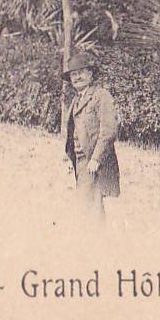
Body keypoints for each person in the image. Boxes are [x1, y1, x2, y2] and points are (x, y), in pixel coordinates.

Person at [62, 52, 120, 218]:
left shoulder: (101, 96)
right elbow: (74, 132)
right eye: (73, 74)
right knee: (87, 205)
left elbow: (109, 130)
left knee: (90, 207)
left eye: (81, 72)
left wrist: (96, 159)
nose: (77, 77)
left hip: (93, 162)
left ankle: (94, 241)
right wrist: (69, 157)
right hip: (80, 162)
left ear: (91, 74)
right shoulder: (76, 100)